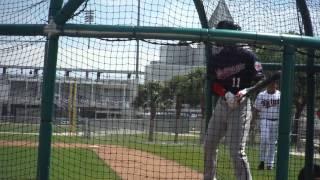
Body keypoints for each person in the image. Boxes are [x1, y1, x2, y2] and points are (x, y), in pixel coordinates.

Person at [204, 20, 265, 180]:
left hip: (241, 105)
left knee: (236, 151)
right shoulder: (216, 58)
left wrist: (247, 90)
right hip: (222, 104)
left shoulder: (248, 55)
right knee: (209, 144)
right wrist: (225, 93)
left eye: (221, 33)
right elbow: (213, 83)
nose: (219, 37)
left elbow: (261, 80)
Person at [254, 80, 280, 170]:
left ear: (276, 85)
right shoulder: (261, 95)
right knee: (264, 139)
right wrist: (252, 120)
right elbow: (256, 109)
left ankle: (270, 164)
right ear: (267, 85)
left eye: (273, 83)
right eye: (270, 83)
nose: (272, 85)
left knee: (272, 143)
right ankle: (262, 161)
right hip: (264, 120)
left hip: (276, 121)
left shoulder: (280, 95)